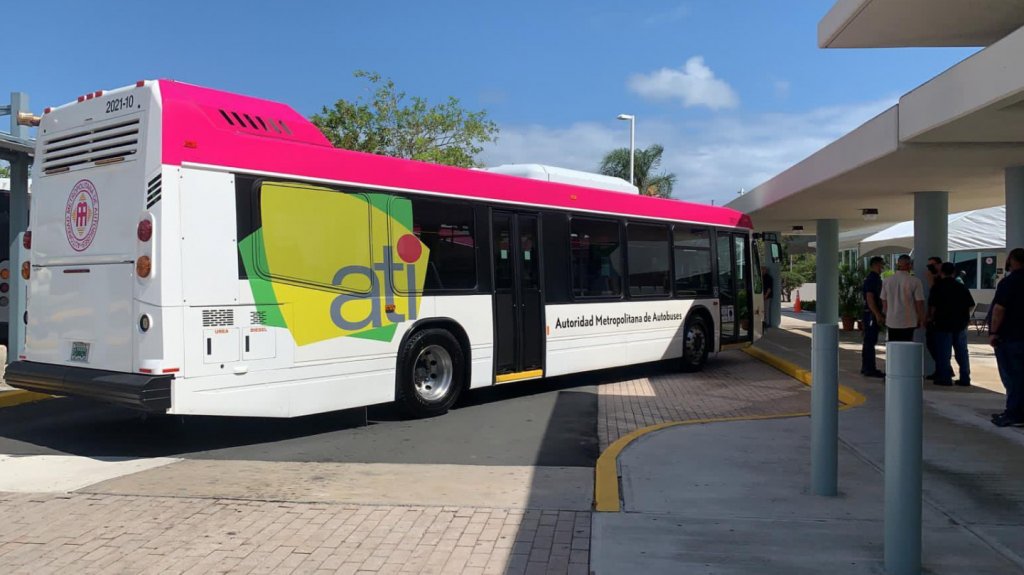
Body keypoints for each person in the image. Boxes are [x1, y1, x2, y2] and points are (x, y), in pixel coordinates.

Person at [990, 248, 1024, 427]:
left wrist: (994, 332)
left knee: (1013, 377)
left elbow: (999, 310)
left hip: (1011, 337)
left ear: (1012, 261)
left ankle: (1014, 413)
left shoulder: (1009, 283)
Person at [928, 262, 974, 386]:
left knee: (944, 353)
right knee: (962, 352)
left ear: (941, 272)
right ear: (954, 272)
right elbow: (971, 305)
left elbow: (932, 307)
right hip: (960, 324)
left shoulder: (937, 287)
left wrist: (931, 318)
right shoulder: (961, 286)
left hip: (943, 324)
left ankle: (945, 378)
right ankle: (965, 378)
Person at [881, 254, 926, 342]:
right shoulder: (915, 281)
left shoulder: (887, 281)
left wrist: (886, 314)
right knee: (907, 347)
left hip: (892, 320)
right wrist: (921, 318)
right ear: (909, 265)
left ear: (898, 264)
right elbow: (919, 302)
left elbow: (884, 300)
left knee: (894, 346)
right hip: (909, 321)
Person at [860, 256, 886, 377]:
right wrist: (877, 314)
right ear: (875, 265)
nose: (883, 267)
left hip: (869, 313)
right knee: (870, 340)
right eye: (881, 264)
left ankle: (866, 367)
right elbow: (870, 298)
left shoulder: (874, 278)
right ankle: (869, 368)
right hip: (870, 314)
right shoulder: (872, 279)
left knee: (869, 341)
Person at [924, 256, 943, 379]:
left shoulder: (942, 280)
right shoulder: (935, 279)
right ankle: (941, 369)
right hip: (934, 317)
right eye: (929, 266)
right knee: (932, 344)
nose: (931, 268)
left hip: (939, 318)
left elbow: (935, 298)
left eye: (933, 265)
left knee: (938, 345)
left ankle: (943, 370)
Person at [761, 266, 774, 330]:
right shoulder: (761, 277)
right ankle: (764, 323)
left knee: (766, 310)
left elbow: (769, 289)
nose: (762, 271)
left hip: (767, 297)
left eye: (763, 270)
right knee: (763, 310)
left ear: (765, 270)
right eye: (761, 270)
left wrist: (765, 296)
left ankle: (767, 323)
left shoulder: (768, 278)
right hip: (763, 296)